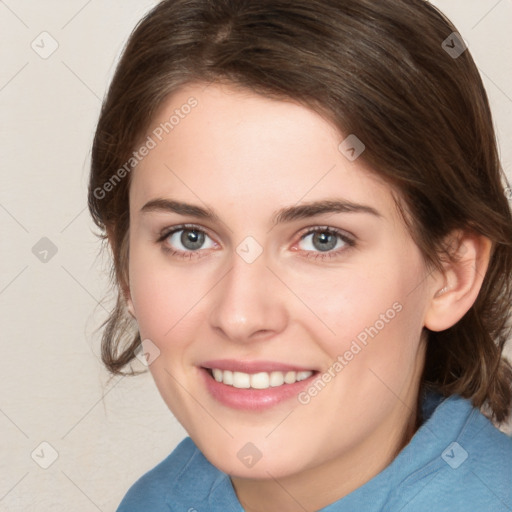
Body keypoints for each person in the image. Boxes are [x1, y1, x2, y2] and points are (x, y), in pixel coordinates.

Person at [87, 1, 512, 510]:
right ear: (125, 265)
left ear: (451, 273)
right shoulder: (156, 501)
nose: (241, 315)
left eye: (322, 239)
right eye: (189, 237)